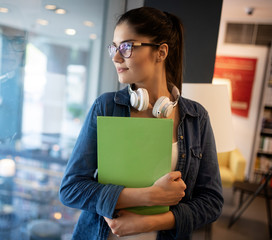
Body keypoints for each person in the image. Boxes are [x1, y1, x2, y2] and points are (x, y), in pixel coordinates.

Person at [59, 6, 223, 240]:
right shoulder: (106, 107)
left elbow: (212, 202)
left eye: (126, 47)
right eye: (114, 47)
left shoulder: (197, 118)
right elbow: (71, 189)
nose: (116, 57)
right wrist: (149, 196)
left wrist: (148, 222)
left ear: (161, 52)